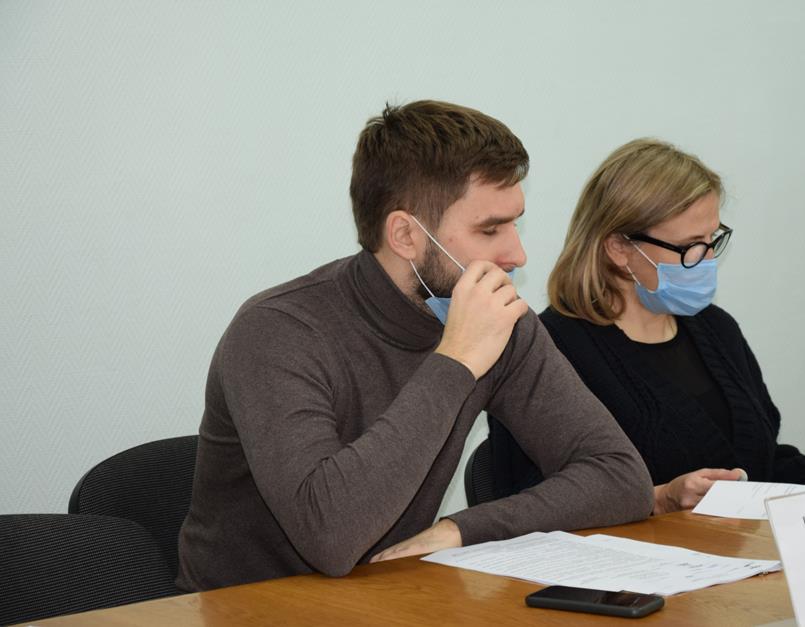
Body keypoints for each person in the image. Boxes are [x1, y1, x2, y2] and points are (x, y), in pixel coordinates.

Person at [176, 101, 654, 592]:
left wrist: (463, 528)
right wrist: (457, 360)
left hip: (385, 595)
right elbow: (331, 539)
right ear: (405, 235)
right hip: (246, 608)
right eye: (490, 230)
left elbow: (620, 477)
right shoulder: (278, 331)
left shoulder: (500, 321)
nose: (517, 254)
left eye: (515, 223)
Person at [488, 138, 805, 515]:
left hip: (731, 552)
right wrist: (657, 499)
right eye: (692, 246)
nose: (707, 259)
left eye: (713, 239)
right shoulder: (549, 349)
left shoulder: (715, 329)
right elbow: (527, 497)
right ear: (620, 248)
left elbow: (753, 464)